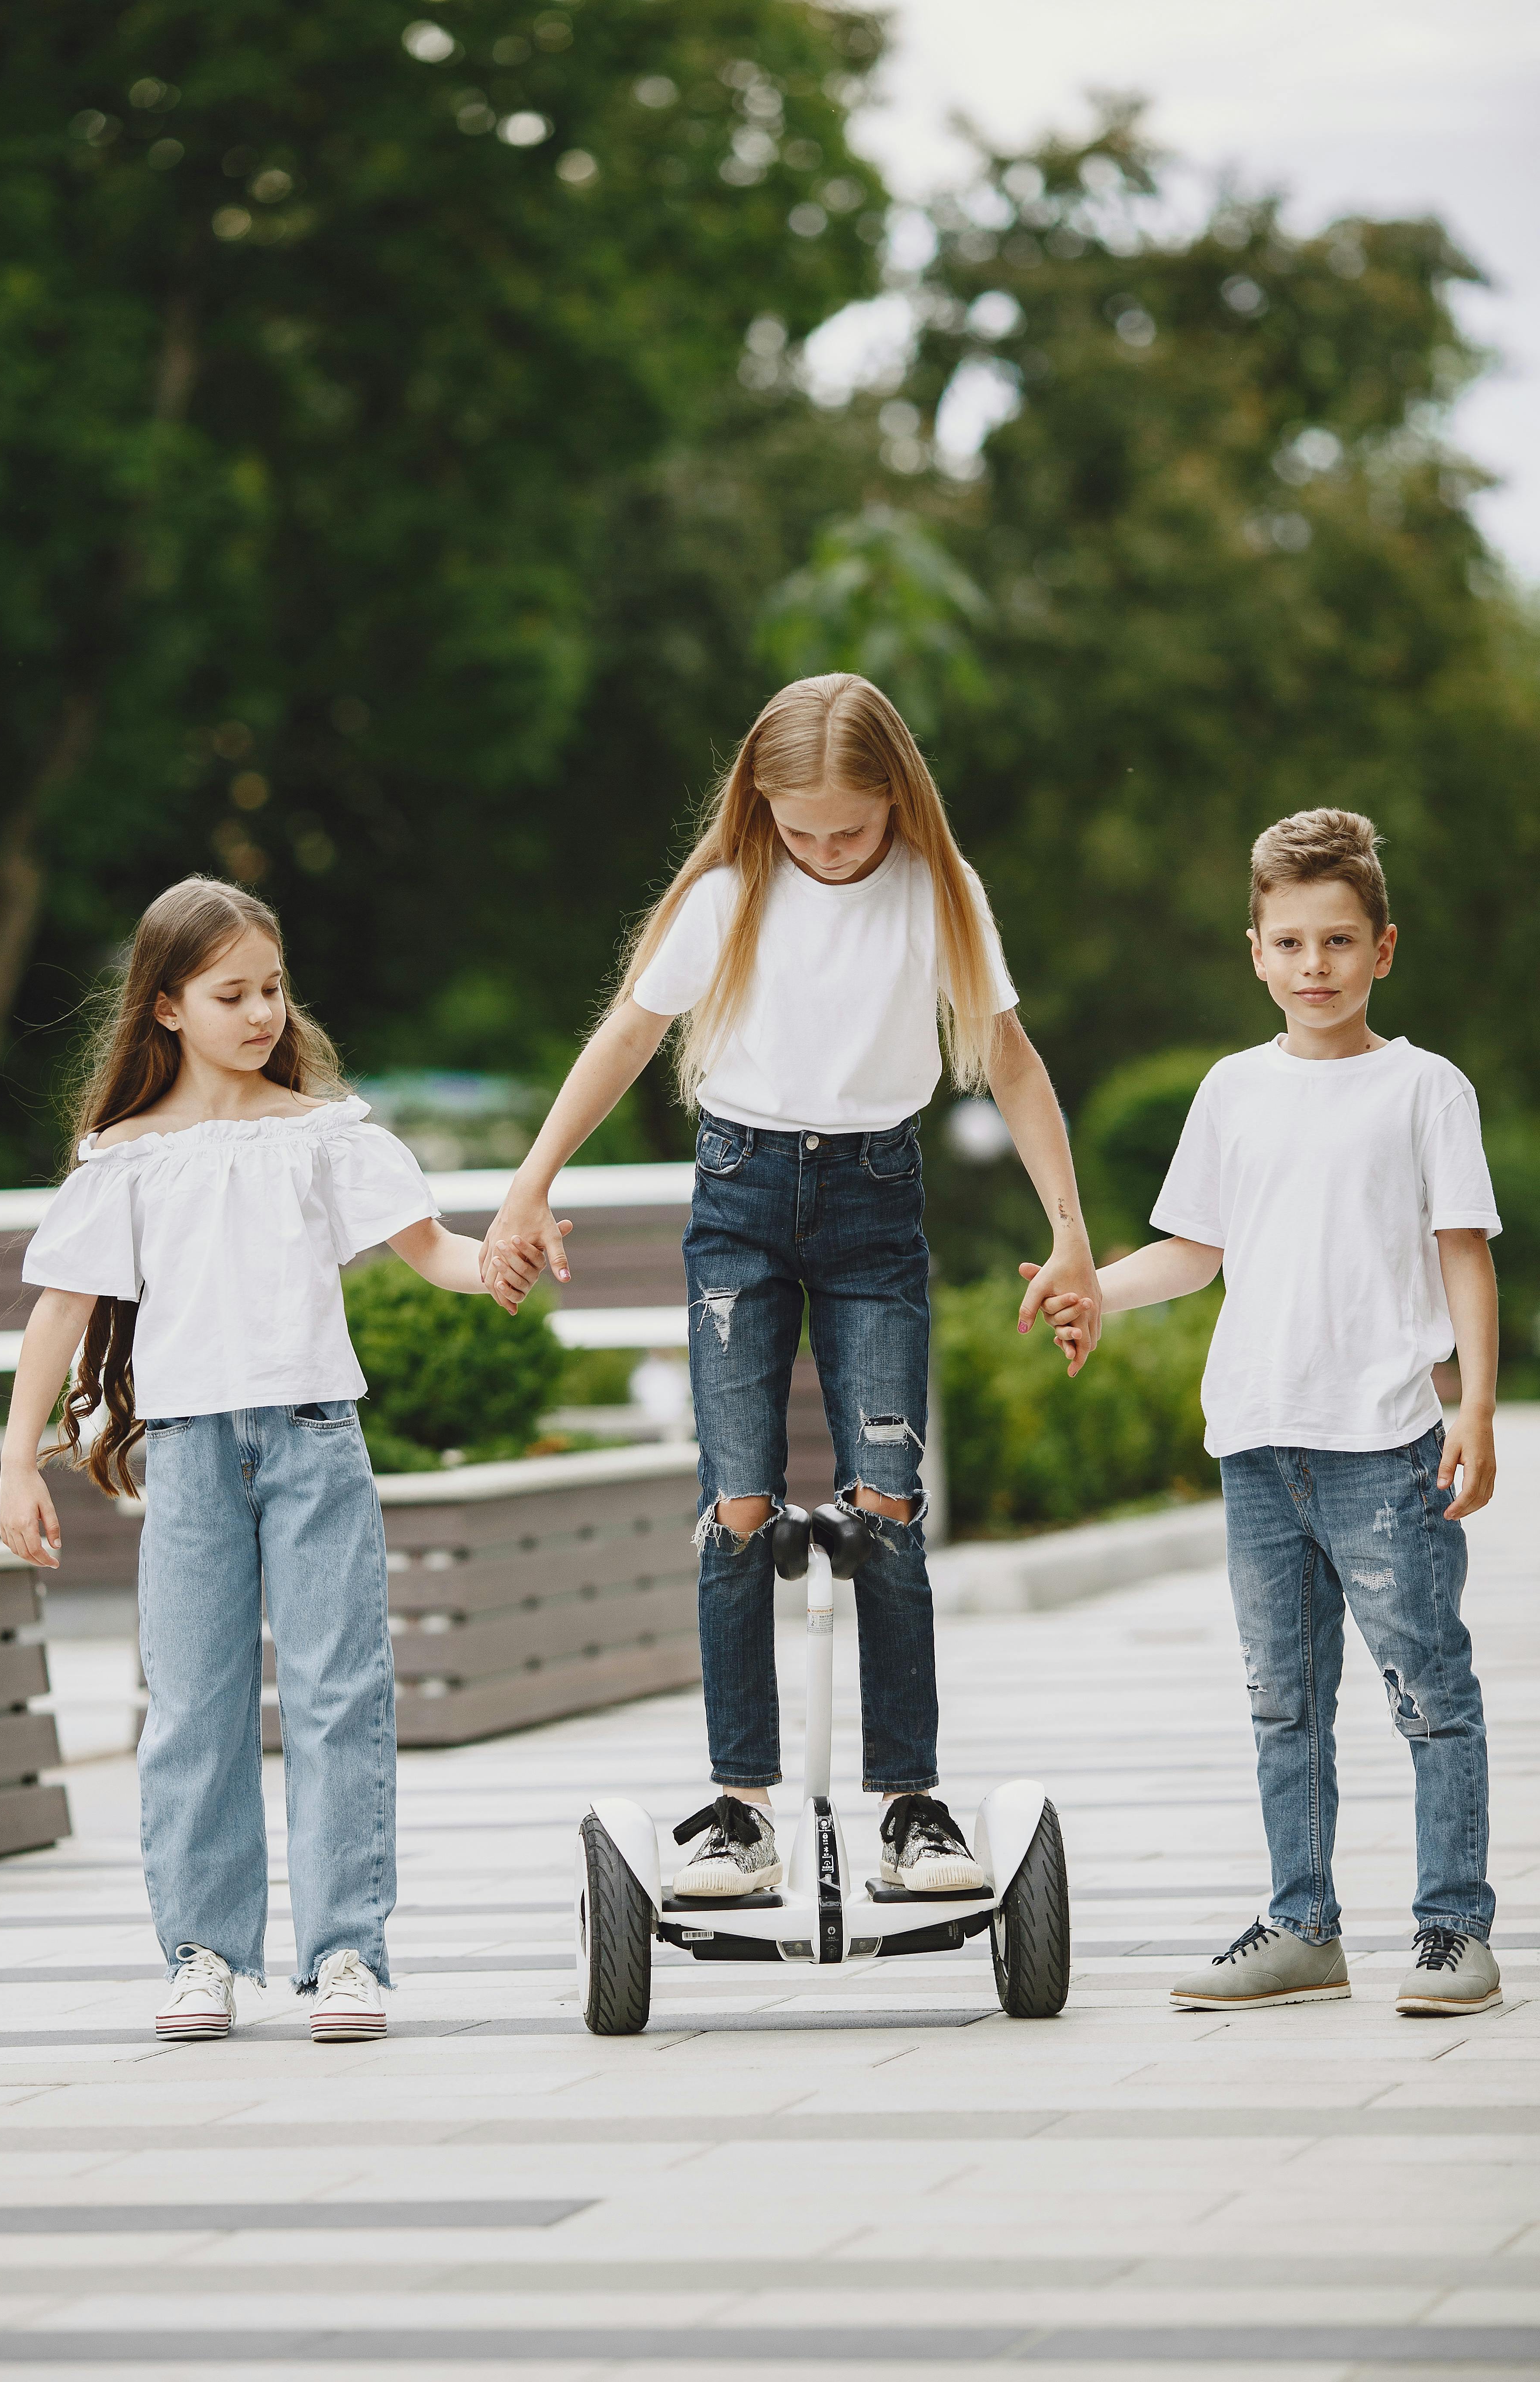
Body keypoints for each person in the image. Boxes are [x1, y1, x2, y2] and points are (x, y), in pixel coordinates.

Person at [483, 673, 1100, 1898]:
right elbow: (624, 1034)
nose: (822, 853)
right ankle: (737, 1811)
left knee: (886, 1505)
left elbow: (1016, 1067)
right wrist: (529, 1182)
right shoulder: (731, 894)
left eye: (849, 832)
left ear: (898, 804)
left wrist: (1072, 1235)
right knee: (739, 1504)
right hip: (741, 1205)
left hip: (878, 1209)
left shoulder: (939, 897)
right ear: (758, 808)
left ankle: (913, 1808)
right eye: (797, 829)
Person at [0, 878, 541, 2044]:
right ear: (166, 1009)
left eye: (274, 989)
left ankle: (346, 1954)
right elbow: (58, 1313)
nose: (261, 1015)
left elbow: (430, 1249)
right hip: (192, 1460)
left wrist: (495, 1262)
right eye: (231, 994)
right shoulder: (129, 1158)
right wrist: (17, 1466)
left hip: (314, 1444)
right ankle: (204, 1953)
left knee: (341, 1699)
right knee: (193, 1707)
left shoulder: (324, 1135)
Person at [1040, 809, 1502, 2015]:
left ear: (1383, 948)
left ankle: (1454, 1932)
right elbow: (1193, 1252)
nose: (1315, 967)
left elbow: (1465, 1255)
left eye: (1339, 941)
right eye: (1290, 942)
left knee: (1428, 1693)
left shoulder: (1424, 1090)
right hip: (1257, 1446)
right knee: (1282, 1701)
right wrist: (1094, 1289)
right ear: (1255, 950)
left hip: (1388, 1445)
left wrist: (1480, 1408)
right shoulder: (1232, 1092)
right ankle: (1302, 1926)